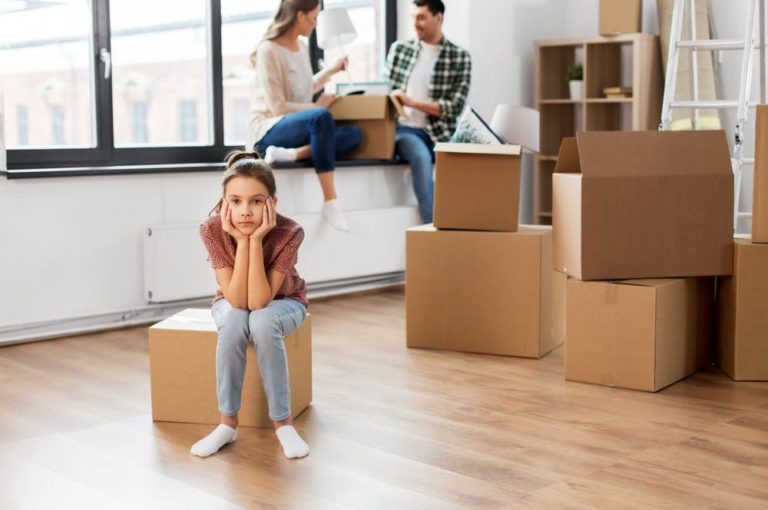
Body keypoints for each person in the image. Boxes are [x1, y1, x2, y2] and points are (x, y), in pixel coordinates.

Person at [194, 151, 310, 460]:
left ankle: (283, 424)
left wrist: (254, 240)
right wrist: (239, 239)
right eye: (236, 201)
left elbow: (259, 301)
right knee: (234, 321)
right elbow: (236, 300)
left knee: (260, 320)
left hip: (285, 302)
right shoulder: (212, 229)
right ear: (224, 201)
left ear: (272, 202)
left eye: (256, 201)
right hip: (230, 301)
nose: (245, 211)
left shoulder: (290, 232)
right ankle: (227, 424)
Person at [248, 0, 362, 232]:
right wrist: (316, 106)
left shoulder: (300, 47)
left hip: (296, 129)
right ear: (299, 16)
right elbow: (278, 106)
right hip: (269, 128)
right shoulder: (268, 50)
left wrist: (331, 71)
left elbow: (305, 88)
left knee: (355, 134)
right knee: (321, 117)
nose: (315, 24)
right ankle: (331, 200)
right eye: (314, 17)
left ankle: (293, 154)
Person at [384, 0, 471, 224]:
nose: (415, 23)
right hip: (406, 130)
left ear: (438, 18)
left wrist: (412, 102)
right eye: (413, 17)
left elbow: (453, 108)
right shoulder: (400, 50)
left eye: (421, 17)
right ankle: (432, 229)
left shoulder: (459, 57)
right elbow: (384, 90)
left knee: (470, 167)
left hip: (441, 132)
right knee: (421, 157)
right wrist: (394, 97)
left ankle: (464, 228)